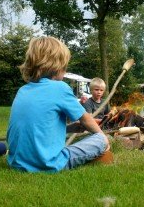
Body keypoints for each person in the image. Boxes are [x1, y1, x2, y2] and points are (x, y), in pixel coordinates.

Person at [7, 36, 111, 172]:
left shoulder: (23, 90)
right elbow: (86, 119)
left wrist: (69, 128)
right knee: (100, 140)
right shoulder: (60, 88)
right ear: (57, 67)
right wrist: (103, 138)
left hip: (17, 163)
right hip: (49, 164)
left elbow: (39, 127)